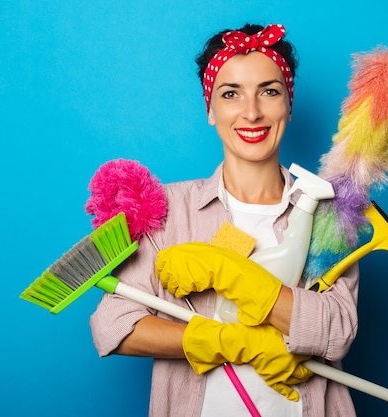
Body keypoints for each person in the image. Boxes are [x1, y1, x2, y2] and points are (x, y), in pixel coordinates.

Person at [89, 23, 359, 417]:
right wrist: (223, 341)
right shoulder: (167, 210)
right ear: (210, 109)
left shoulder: (330, 216)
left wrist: (232, 274)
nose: (252, 112)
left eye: (269, 91)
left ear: (288, 105)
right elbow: (113, 326)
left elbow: (336, 333)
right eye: (230, 94)